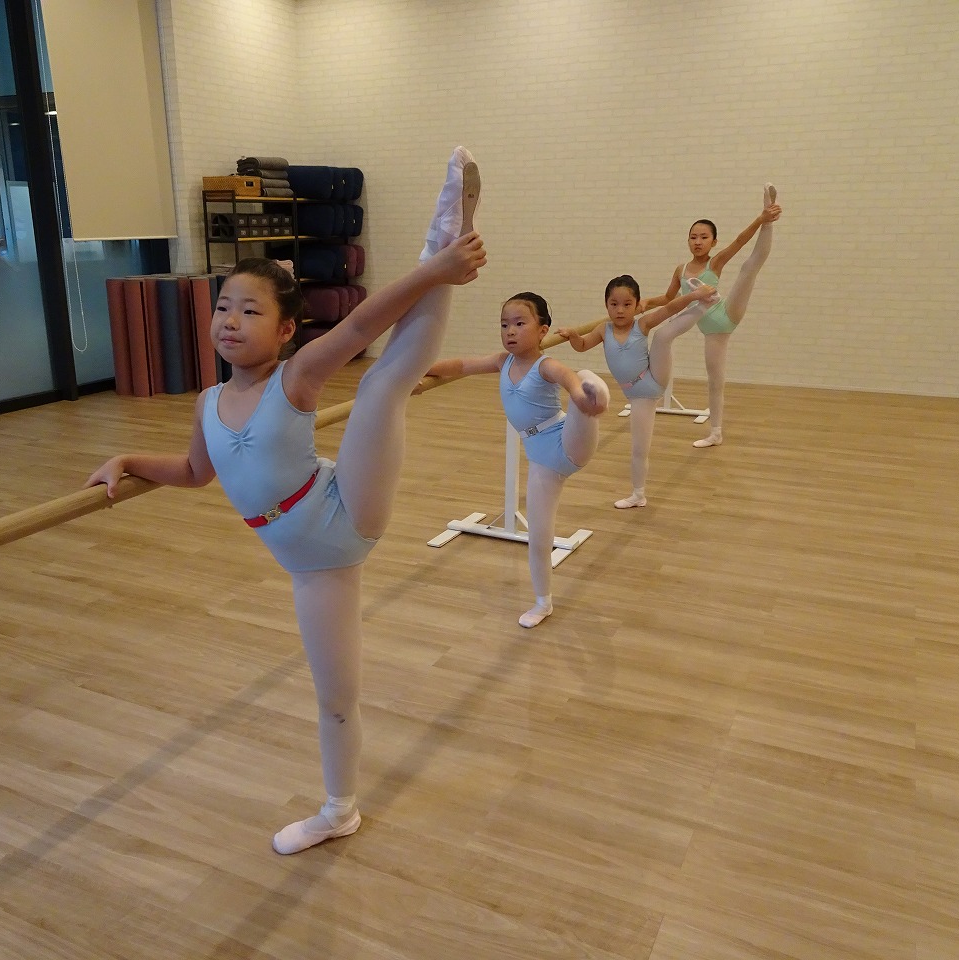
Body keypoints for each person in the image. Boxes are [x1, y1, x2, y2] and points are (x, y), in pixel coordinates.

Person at [85, 148, 484, 854]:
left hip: (342, 509)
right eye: (223, 308)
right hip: (309, 564)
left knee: (384, 382)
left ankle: (444, 237)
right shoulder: (208, 401)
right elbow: (193, 472)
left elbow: (361, 329)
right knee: (336, 696)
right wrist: (125, 460)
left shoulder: (294, 378)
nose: (230, 321)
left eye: (250, 310)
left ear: (286, 329)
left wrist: (436, 272)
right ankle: (341, 811)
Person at [423, 293, 610, 628]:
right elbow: (462, 366)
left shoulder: (545, 365)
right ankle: (543, 602)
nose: (510, 331)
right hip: (541, 459)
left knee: (583, 380)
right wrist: (420, 370)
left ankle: (594, 397)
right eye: (504, 325)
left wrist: (580, 394)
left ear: (542, 331)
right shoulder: (502, 362)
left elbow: (566, 377)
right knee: (539, 535)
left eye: (520, 323)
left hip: (567, 440)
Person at [556, 275, 719, 508]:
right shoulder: (603, 330)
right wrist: (573, 335)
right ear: (606, 305)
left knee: (662, 336)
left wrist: (694, 296)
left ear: (637, 305)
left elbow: (669, 308)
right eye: (614, 304)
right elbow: (581, 346)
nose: (620, 310)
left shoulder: (641, 325)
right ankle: (639, 495)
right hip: (636, 393)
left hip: (652, 380)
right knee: (639, 447)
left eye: (627, 304)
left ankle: (705, 304)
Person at [644, 185, 782, 447]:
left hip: (727, 312)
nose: (698, 242)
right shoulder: (681, 269)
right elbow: (669, 299)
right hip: (713, 332)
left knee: (749, 267)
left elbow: (740, 241)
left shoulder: (714, 262)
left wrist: (761, 219)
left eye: (704, 237)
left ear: (713, 242)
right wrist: (645, 303)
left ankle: (769, 213)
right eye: (693, 237)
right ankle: (716, 432)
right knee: (715, 381)